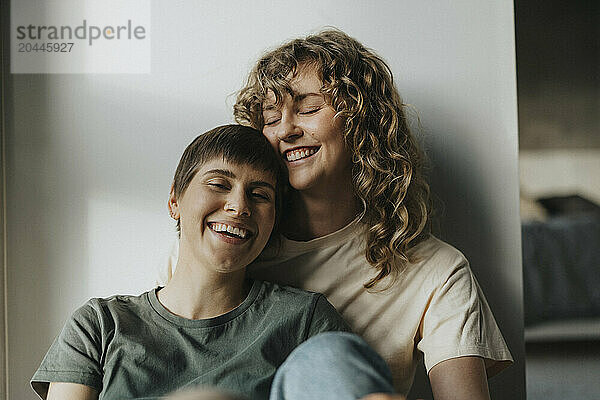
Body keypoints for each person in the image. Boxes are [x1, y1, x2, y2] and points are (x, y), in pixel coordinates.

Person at [160, 29, 513, 399]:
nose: (286, 130)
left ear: (363, 123)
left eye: (309, 109)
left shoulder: (436, 272)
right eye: (270, 116)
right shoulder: (221, 242)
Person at [31, 125, 351, 400]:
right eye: (219, 184)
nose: (239, 206)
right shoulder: (99, 326)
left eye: (259, 194)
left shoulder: (304, 322)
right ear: (174, 201)